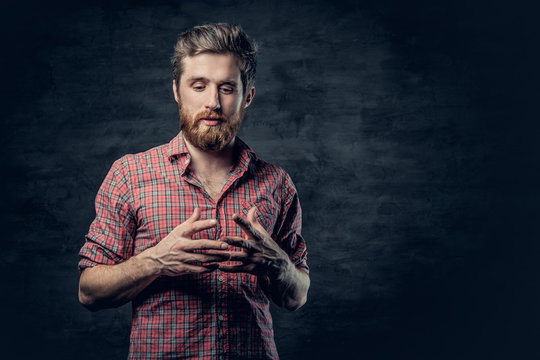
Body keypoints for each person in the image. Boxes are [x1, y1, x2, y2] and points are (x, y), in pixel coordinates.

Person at [78, 23, 310, 359]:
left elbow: (297, 297)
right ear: (177, 90)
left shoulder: (276, 183)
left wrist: (278, 265)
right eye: (199, 86)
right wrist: (155, 261)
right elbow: (89, 293)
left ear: (248, 97)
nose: (213, 102)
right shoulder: (129, 175)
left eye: (227, 88)